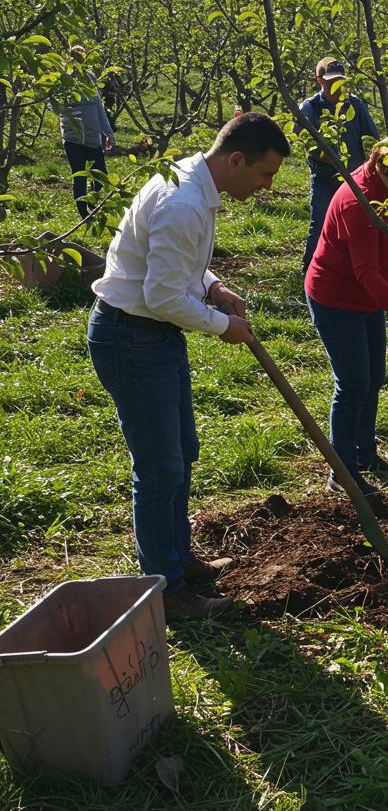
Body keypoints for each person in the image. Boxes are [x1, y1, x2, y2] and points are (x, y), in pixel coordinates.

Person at [87, 113, 290, 620]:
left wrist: (214, 288)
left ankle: (178, 557)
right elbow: (160, 294)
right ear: (236, 159)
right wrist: (223, 326)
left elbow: (178, 269)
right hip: (133, 337)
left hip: (153, 336)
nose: (266, 187)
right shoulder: (182, 201)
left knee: (182, 453)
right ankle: (166, 590)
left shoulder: (193, 183)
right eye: (264, 174)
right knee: (159, 468)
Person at [305, 130, 388, 501]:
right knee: (352, 384)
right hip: (336, 297)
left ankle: (366, 455)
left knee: (373, 377)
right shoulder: (357, 202)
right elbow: (364, 271)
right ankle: (341, 471)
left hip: (367, 297)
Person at [299, 56, 380, 272]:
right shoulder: (310, 107)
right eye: (331, 80)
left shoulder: (355, 104)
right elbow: (303, 140)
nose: (336, 85)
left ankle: (354, 270)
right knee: (320, 223)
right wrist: (324, 157)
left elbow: (372, 137)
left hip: (354, 179)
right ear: (319, 81)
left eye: (340, 80)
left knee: (358, 225)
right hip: (325, 177)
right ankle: (310, 270)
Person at [53, 45, 116, 219]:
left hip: (92, 137)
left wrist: (108, 133)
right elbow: (54, 106)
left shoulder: (90, 78)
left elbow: (98, 107)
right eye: (77, 57)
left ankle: (92, 203)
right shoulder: (63, 79)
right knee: (80, 175)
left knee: (100, 175)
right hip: (73, 138)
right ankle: (84, 214)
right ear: (71, 58)